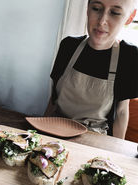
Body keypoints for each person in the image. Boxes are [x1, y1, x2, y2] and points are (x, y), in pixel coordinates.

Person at [45, 0, 138, 139]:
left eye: (115, 13)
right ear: (87, 9)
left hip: (95, 139)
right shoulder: (68, 45)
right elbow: (53, 100)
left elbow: (121, 112)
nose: (102, 21)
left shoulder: (129, 56)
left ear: (130, 17)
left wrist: (117, 154)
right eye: (96, 8)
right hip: (55, 131)